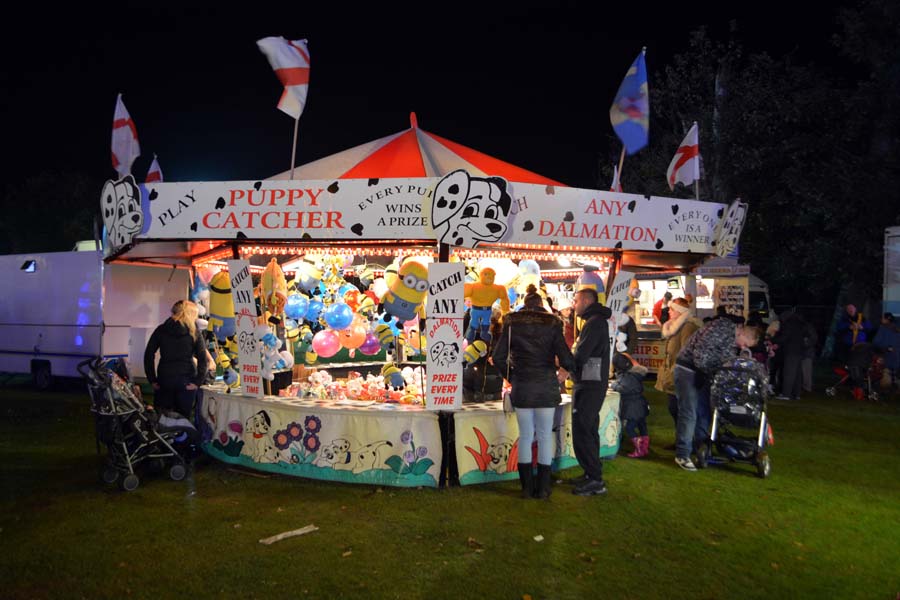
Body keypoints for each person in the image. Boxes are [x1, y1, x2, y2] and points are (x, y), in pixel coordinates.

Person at [493, 290, 575, 499]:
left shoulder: (512, 324)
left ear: (524, 305)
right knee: (545, 436)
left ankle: (527, 489)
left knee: (526, 436)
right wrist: (562, 373)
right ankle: (544, 489)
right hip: (546, 386)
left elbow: (498, 356)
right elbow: (567, 358)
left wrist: (512, 376)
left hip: (522, 386)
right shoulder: (553, 324)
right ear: (542, 305)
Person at [672, 315, 760, 471]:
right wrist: (717, 372)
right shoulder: (721, 329)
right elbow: (701, 356)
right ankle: (682, 454)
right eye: (745, 344)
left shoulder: (729, 337)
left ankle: (700, 449)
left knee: (703, 413)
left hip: (699, 373)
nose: (742, 347)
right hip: (688, 371)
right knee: (690, 413)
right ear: (743, 334)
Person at [567, 287, 612, 496]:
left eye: (576, 300)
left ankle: (595, 479)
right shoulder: (595, 321)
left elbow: (582, 353)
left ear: (585, 300)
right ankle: (591, 473)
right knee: (588, 429)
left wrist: (565, 370)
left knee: (583, 429)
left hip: (590, 384)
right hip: (591, 382)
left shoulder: (594, 323)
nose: (573, 305)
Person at [144, 300, 209, 418]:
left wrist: (152, 379)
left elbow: (148, 354)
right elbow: (202, 358)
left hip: (165, 379)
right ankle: (181, 436)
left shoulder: (161, 329)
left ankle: (164, 437)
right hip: (187, 379)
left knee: (161, 418)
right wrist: (198, 381)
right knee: (183, 419)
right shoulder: (193, 332)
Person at [655, 297, 703, 432]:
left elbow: (686, 353)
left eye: (672, 309)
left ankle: (687, 441)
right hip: (674, 373)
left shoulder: (687, 327)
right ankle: (681, 439)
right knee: (674, 408)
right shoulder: (674, 326)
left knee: (681, 409)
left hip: (681, 375)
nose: (669, 311)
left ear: (680, 311)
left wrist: (677, 371)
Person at [611, 352, 650, 458]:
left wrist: (613, 385)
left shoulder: (625, 377)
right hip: (641, 404)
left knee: (629, 428)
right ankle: (645, 445)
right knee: (642, 425)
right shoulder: (636, 374)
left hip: (632, 407)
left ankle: (640, 447)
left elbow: (623, 388)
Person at [774, 308, 811, 401]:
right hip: (800, 351)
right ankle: (796, 394)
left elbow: (784, 337)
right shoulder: (801, 324)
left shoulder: (788, 324)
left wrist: (773, 340)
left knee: (788, 373)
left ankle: (786, 394)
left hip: (791, 351)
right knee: (797, 374)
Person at [872, 313, 899, 390]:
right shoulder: (897, 329)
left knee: (886, 377)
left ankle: (886, 388)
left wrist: (886, 348)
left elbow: (876, 342)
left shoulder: (883, 328)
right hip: (895, 357)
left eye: (883, 318)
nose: (882, 320)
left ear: (886, 319)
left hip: (886, 356)